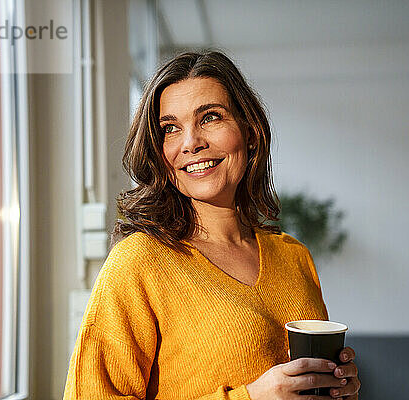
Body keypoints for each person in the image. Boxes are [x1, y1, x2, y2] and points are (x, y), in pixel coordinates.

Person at [63, 51, 361, 400]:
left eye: (210, 118)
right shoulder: (140, 262)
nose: (190, 143)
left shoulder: (294, 258)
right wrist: (251, 397)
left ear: (250, 134)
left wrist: (340, 388)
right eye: (170, 128)